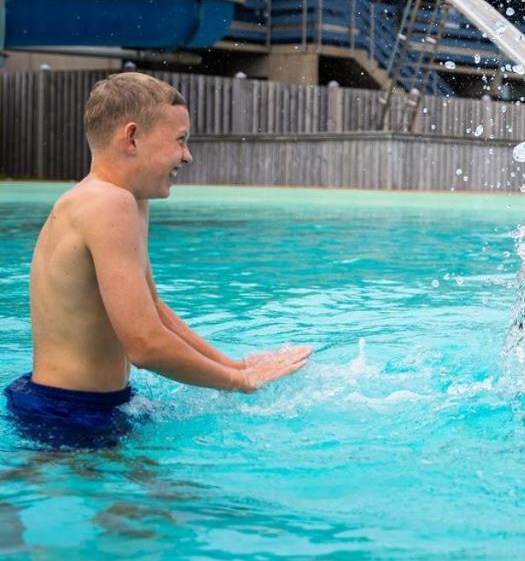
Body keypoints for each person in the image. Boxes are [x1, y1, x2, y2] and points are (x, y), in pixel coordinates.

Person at [5, 72, 310, 447]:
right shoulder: (106, 202)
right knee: (163, 503)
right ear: (132, 138)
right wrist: (240, 382)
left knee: (158, 501)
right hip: (68, 414)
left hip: (95, 406)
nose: (188, 155)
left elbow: (152, 309)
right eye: (180, 140)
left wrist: (236, 365)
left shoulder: (130, 198)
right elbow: (145, 346)